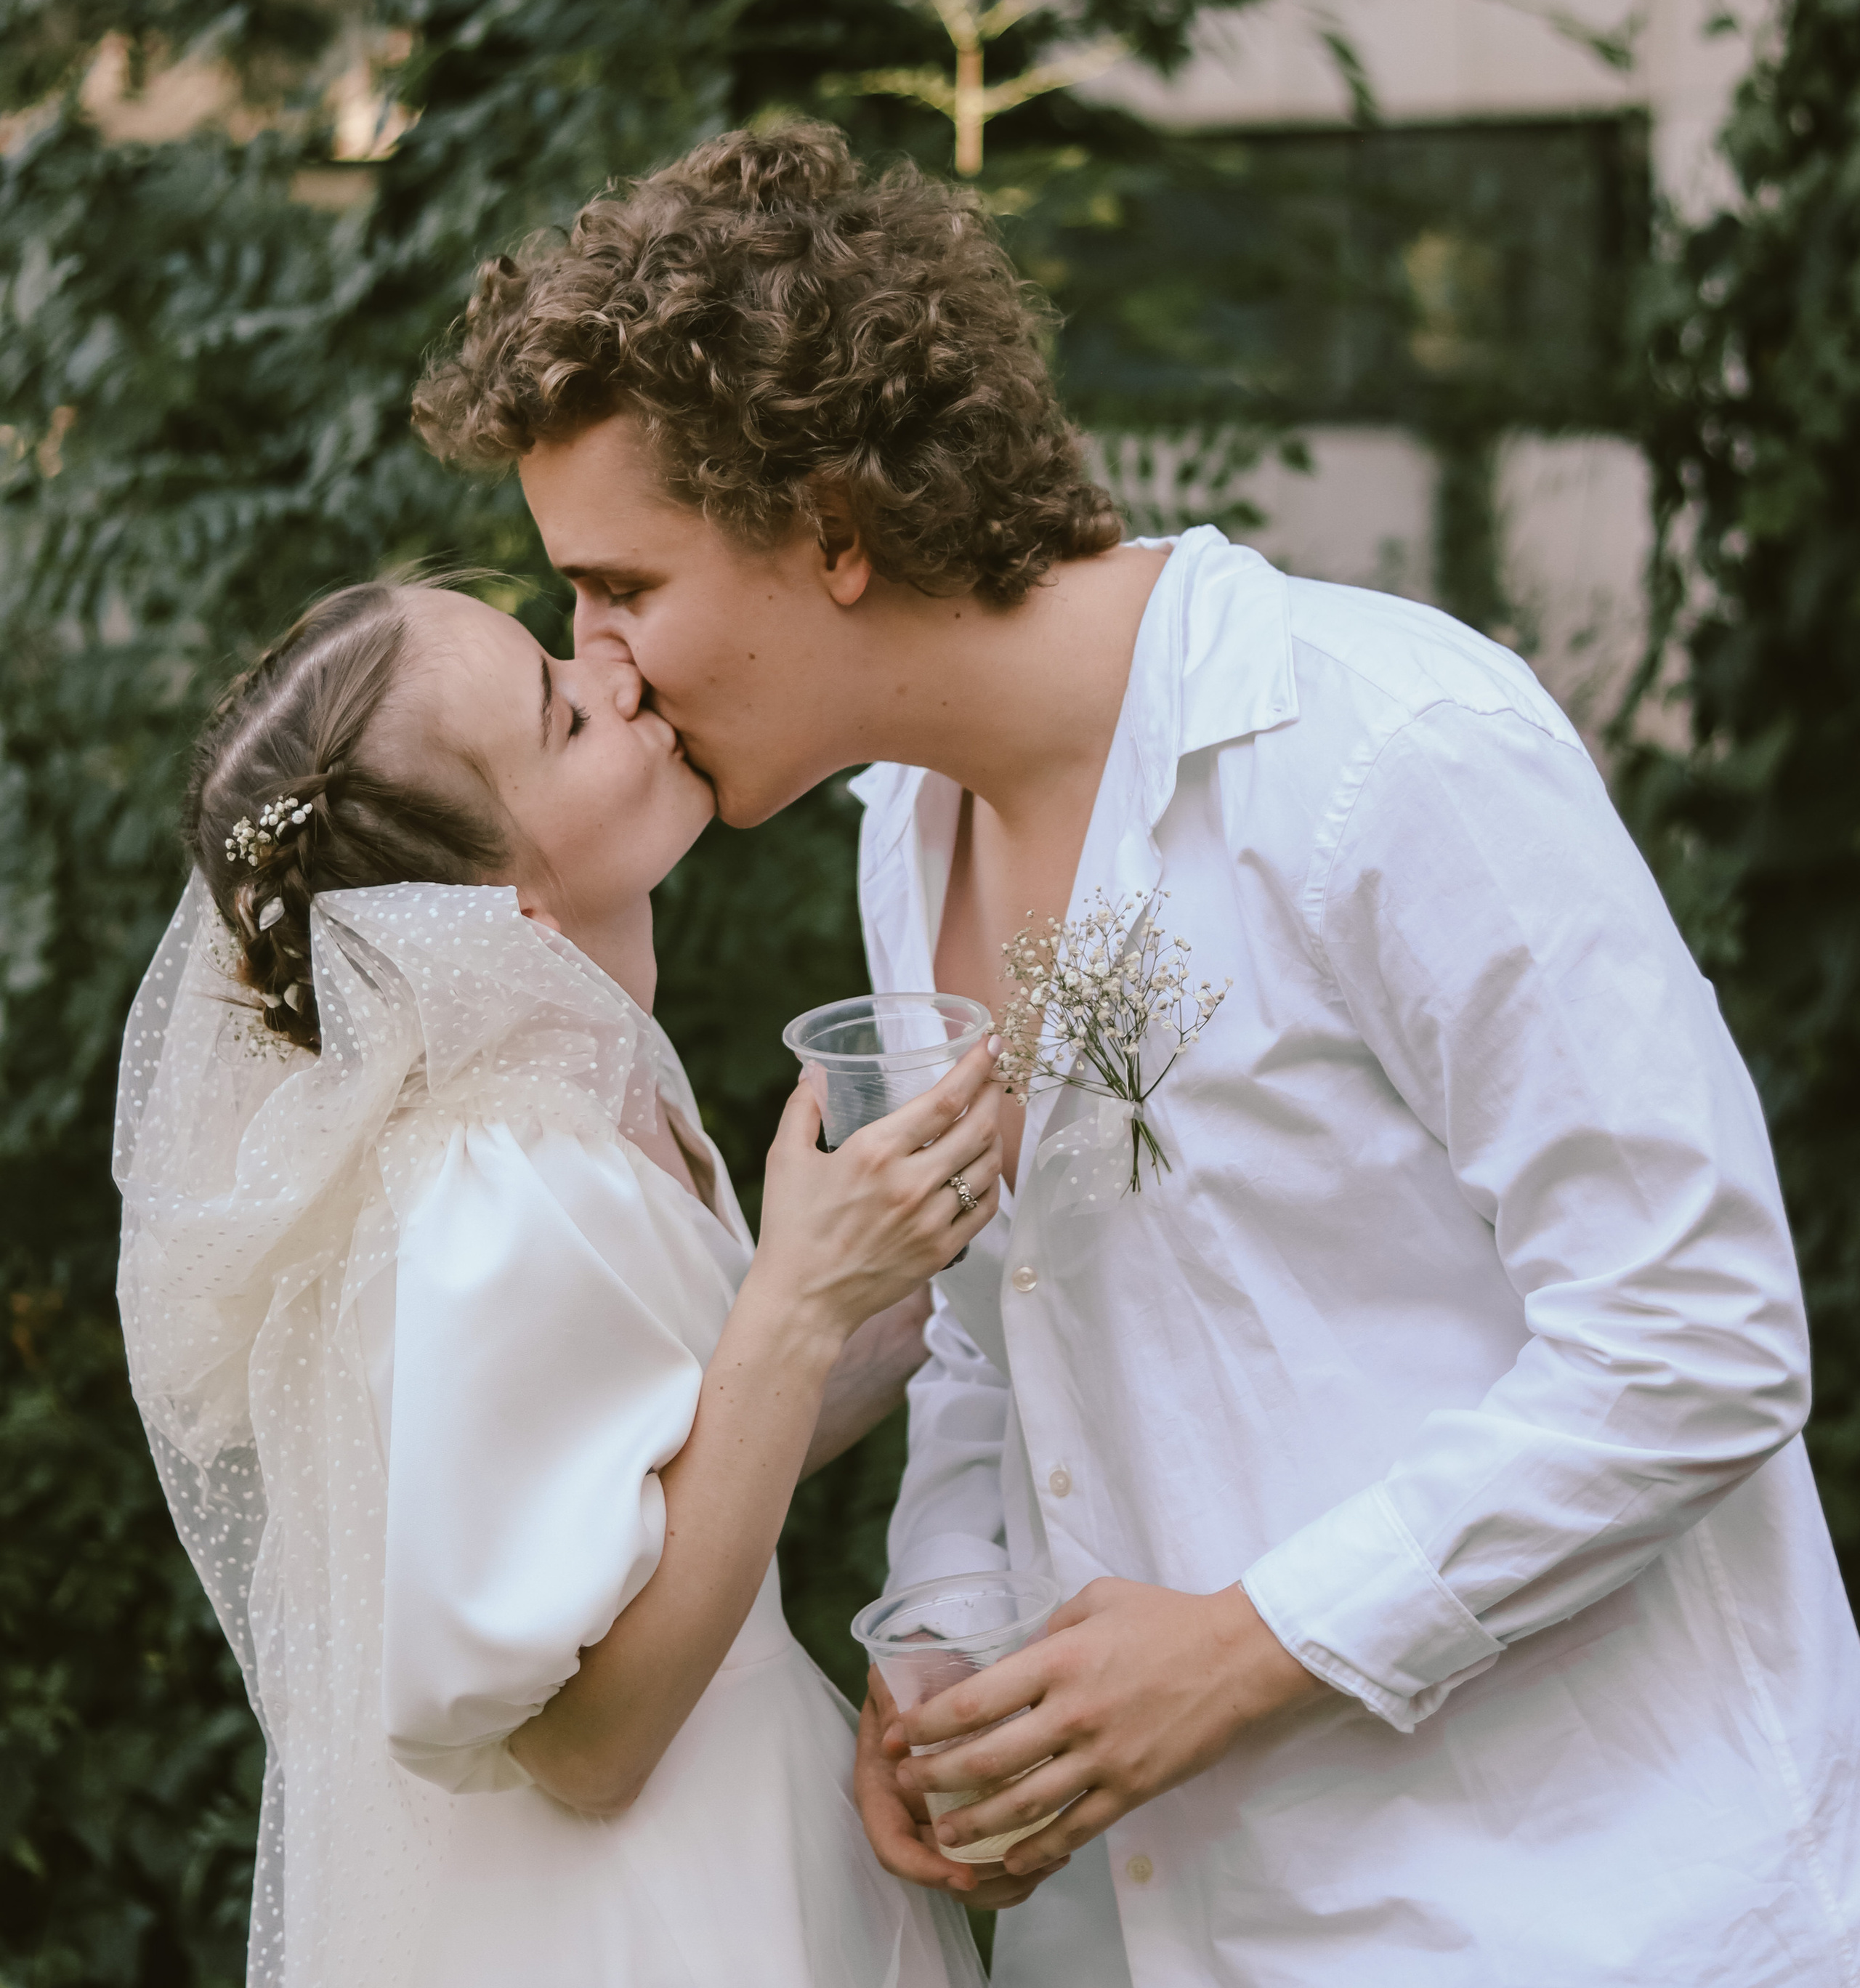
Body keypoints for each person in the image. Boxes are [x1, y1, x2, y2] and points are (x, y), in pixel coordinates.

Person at [413, 116, 1860, 1988]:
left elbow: (1696, 1336)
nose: (599, 667)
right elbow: (988, 1327)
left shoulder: (1385, 748)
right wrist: (941, 1626)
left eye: (625, 589)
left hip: (1564, 1907)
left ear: (831, 531)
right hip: (1165, 1931)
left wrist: (1248, 1644)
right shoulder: (896, 833)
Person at [115, 575, 995, 1988]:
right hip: (644, 1916)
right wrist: (798, 1305)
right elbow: (585, 1742)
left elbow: (649, 1485)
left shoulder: (571, 1099)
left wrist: (915, 1285)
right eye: (560, 716)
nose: (616, 680)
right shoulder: (488, 1191)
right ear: (501, 910)